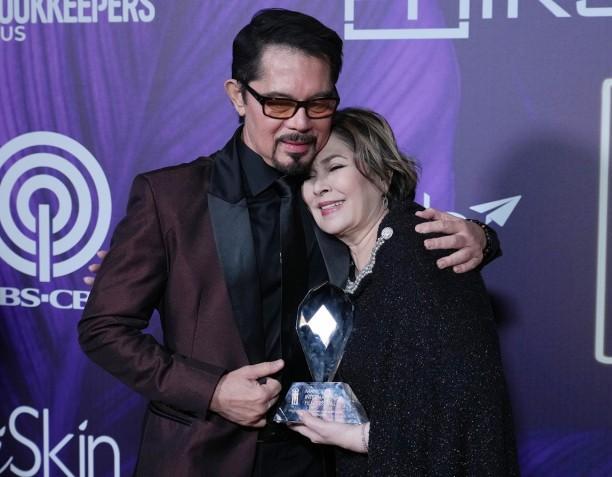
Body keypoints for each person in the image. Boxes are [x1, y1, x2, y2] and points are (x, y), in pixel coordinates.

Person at [78, 9, 499, 477]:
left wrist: (482, 236)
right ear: (238, 96)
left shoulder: (333, 199)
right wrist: (212, 390)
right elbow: (104, 328)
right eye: (278, 103)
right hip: (199, 458)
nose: (300, 123)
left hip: (322, 460)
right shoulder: (170, 198)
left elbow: (397, 245)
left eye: (318, 104)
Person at [290, 108, 519, 476]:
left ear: (381, 173)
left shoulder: (421, 248)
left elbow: (464, 407)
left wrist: (359, 438)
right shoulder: (352, 269)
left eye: (334, 168)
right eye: (308, 177)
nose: (319, 187)